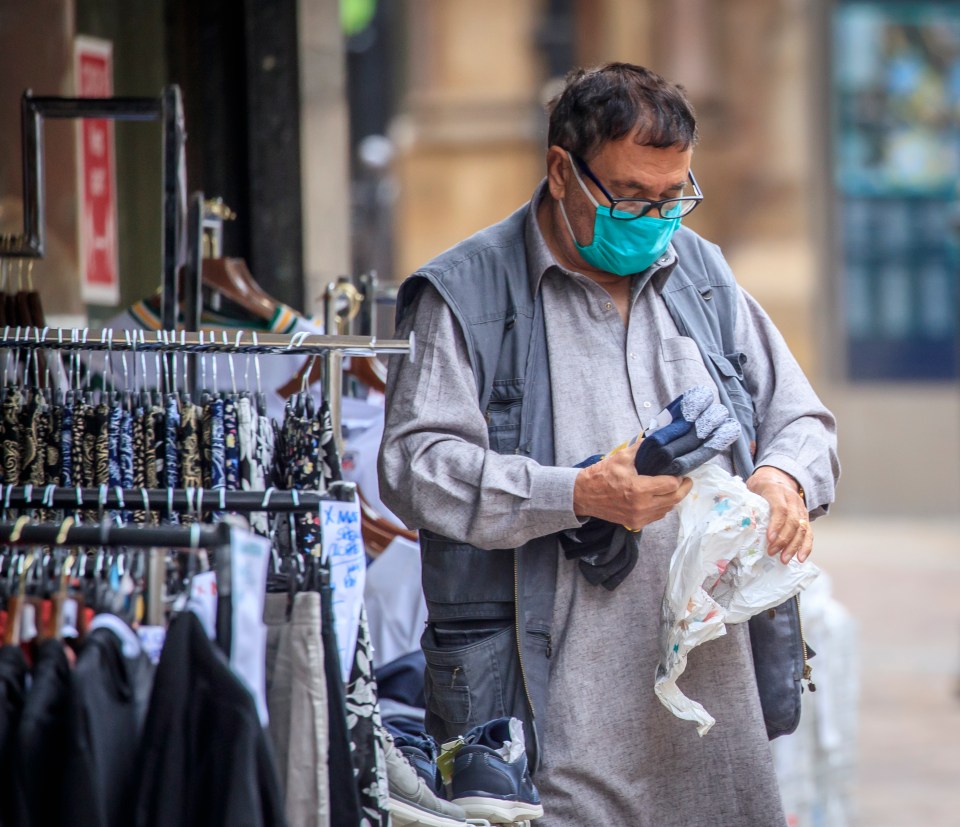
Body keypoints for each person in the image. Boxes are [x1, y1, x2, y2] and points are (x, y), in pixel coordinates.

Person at [378, 62, 839, 826]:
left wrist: (783, 478)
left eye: (673, 198)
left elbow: (803, 420)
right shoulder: (466, 294)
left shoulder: (703, 276)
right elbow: (417, 464)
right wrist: (578, 493)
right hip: (555, 726)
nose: (657, 220)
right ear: (562, 171)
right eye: (631, 197)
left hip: (717, 726)